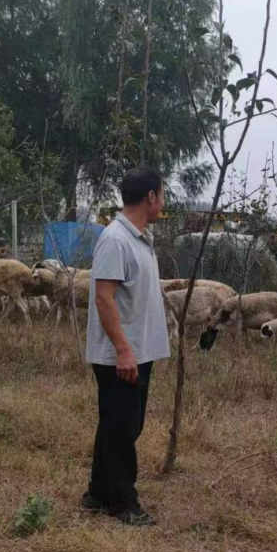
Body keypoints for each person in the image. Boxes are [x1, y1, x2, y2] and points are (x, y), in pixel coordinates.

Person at [82, 167, 171, 526]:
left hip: (137, 351)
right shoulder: (116, 240)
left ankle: (97, 493)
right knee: (123, 428)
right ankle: (122, 502)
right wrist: (122, 349)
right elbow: (104, 299)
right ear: (151, 196)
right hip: (121, 355)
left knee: (116, 423)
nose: (163, 201)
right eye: (162, 194)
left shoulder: (139, 238)